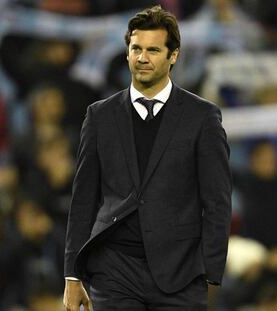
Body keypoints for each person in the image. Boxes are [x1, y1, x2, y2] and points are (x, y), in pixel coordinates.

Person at [63, 5, 232, 310]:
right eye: (136, 48)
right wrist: (72, 276)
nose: (142, 58)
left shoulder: (202, 118)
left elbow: (217, 201)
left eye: (153, 50)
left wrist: (212, 275)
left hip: (180, 273)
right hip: (114, 270)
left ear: (174, 55)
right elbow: (83, 199)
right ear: (126, 51)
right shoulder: (99, 116)